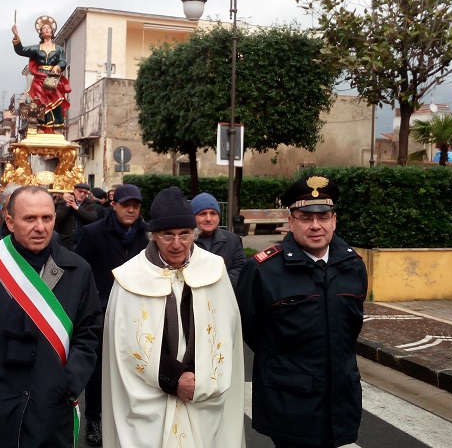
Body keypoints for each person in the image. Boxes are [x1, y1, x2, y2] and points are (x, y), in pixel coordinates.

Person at [0, 185, 102, 447]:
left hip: (52, 405)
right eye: (30, 218)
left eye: (47, 218)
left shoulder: (78, 269)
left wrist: (69, 384)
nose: (40, 227)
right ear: (10, 222)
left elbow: (89, 333)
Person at [102, 186, 245, 447]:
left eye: (185, 234)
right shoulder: (129, 277)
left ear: (195, 233)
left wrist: (199, 379)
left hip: (203, 397)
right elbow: (126, 344)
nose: (177, 244)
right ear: (153, 235)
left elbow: (228, 331)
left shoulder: (213, 269)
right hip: (150, 400)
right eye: (168, 235)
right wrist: (173, 377)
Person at [237, 175, 368, 447]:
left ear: (334, 220)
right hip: (290, 403)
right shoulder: (263, 270)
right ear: (291, 221)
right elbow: (249, 330)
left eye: (324, 217)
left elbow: (350, 328)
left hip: (340, 399)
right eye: (306, 217)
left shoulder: (352, 265)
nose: (316, 226)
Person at [74, 184, 150, 446]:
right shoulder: (93, 232)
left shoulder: (147, 234)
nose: (131, 209)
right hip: (101, 311)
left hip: (138, 312)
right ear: (114, 204)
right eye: (126, 204)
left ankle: (130, 416)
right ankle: (94, 419)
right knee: (97, 370)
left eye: (136, 205)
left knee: (135, 365)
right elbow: (79, 270)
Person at [12, 16, 72, 130]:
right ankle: (41, 128)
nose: (46, 29)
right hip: (39, 78)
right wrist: (16, 37)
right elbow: (21, 50)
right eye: (44, 28)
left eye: (48, 27)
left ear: (52, 31)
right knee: (40, 103)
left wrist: (58, 67)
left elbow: (63, 61)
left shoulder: (59, 49)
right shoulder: (37, 48)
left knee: (56, 101)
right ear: (41, 33)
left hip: (52, 77)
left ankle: (57, 128)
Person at [190, 192, 245, 289]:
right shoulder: (185, 240)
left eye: (213, 213)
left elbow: (240, 268)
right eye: (202, 214)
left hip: (226, 295)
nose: (208, 218)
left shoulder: (232, 239)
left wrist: (219, 286)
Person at [55, 182, 102, 249]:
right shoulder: (65, 202)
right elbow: (58, 218)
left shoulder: (89, 204)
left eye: (85, 192)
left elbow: (93, 217)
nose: (82, 194)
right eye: (80, 191)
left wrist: (77, 208)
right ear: (74, 191)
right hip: (66, 241)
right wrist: (67, 205)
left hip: (82, 241)